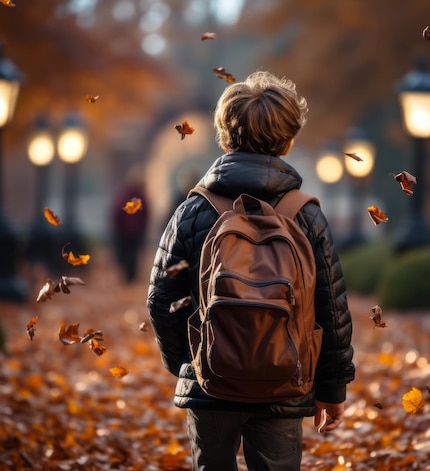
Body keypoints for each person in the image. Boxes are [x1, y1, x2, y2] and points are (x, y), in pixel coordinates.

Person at [147, 71, 356, 470]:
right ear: (288, 140)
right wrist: (332, 386)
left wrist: (190, 363)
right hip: (284, 382)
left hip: (211, 380)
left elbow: (161, 299)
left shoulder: (193, 211)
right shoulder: (306, 215)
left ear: (224, 136)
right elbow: (331, 306)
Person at [111, 165, 149, 283]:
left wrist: (116, 227)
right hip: (134, 231)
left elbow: (117, 212)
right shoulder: (140, 196)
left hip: (125, 232)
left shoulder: (124, 194)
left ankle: (128, 277)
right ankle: (130, 276)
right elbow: (146, 213)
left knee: (126, 255)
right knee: (132, 255)